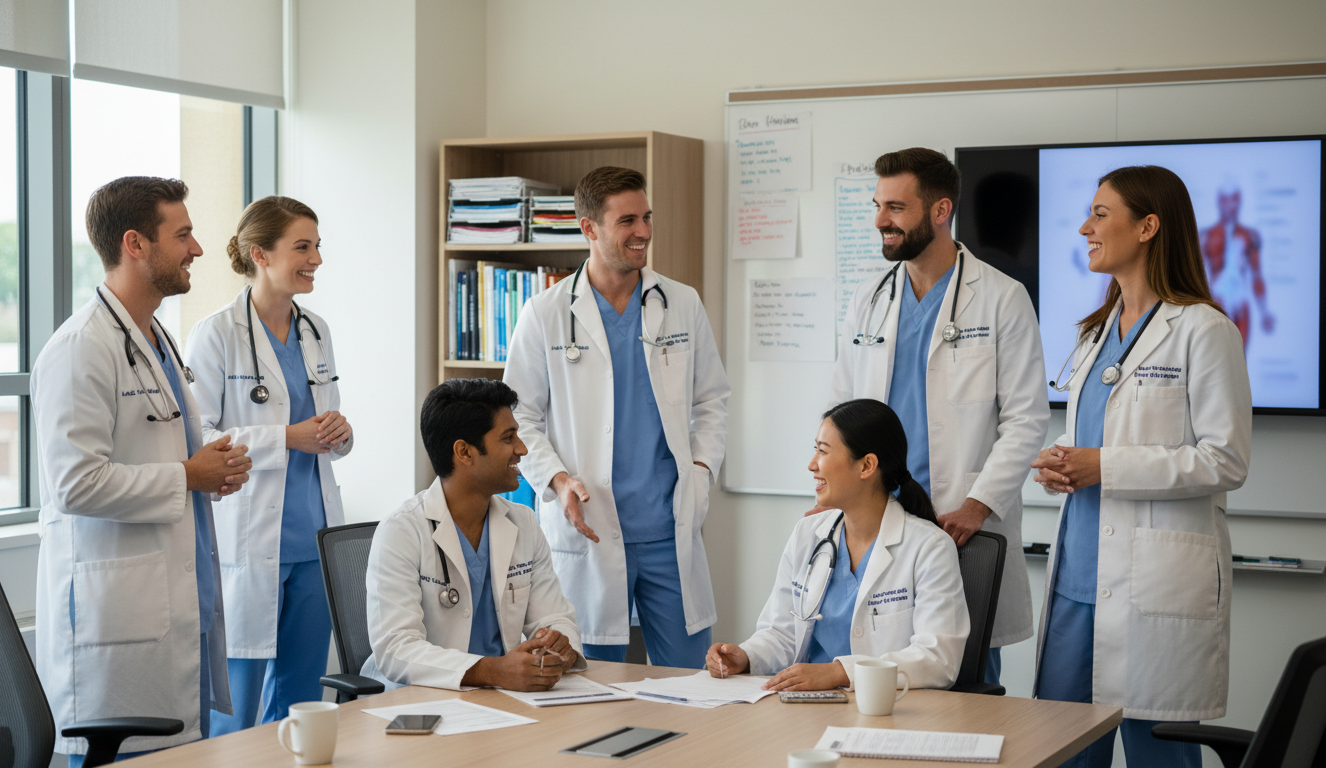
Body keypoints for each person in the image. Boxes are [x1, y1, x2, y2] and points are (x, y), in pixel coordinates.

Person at [1031, 165, 1252, 767]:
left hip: (1154, 584)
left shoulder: (1204, 331)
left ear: (1149, 226)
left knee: (1161, 757)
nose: (1085, 227)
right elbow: (1096, 440)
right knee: (1062, 750)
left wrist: (1104, 465)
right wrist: (1061, 466)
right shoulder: (1094, 333)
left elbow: (1225, 460)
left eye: (1101, 214)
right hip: (1079, 574)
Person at [31, 177, 252, 764]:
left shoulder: (155, 339)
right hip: (121, 623)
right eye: (182, 235)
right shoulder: (81, 347)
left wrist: (214, 468)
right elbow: (73, 483)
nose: (198, 249)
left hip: (180, 605)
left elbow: (159, 450)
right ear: (135, 243)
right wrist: (188, 476)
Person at [828, 147, 1049, 686]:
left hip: (959, 524)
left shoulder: (1001, 298)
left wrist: (978, 506)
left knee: (968, 680)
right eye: (878, 205)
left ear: (941, 210)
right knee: (874, 672)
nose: (881, 220)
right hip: (879, 519)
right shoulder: (869, 299)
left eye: (897, 208)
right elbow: (840, 412)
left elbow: (1026, 419)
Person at [503, 166, 730, 669]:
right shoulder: (544, 313)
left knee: (690, 682)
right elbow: (519, 416)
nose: (644, 231)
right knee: (587, 681)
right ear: (589, 228)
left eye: (647, 217)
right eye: (628, 220)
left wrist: (701, 472)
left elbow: (712, 401)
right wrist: (557, 480)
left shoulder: (681, 303)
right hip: (589, 526)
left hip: (668, 529)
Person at [185, 196, 353, 734]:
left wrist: (339, 432)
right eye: (302, 247)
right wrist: (284, 438)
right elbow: (200, 440)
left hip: (314, 540)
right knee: (235, 703)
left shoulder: (315, 330)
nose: (316, 259)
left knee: (300, 700)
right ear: (260, 253)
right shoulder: (215, 334)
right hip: (249, 538)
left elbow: (322, 426)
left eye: (317, 246)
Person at [706, 399, 968, 691]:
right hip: (807, 708)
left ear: (867, 466)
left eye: (823, 451)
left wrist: (841, 673)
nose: (812, 464)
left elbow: (938, 659)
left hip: (886, 711)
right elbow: (782, 634)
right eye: (815, 449)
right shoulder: (808, 535)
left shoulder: (929, 547)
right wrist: (746, 656)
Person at [363, 379, 586, 690]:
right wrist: (492, 671)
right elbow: (396, 650)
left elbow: (555, 616)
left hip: (498, 697)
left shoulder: (523, 523)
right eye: (508, 438)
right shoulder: (401, 531)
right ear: (464, 452)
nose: (522, 449)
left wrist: (560, 645)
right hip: (417, 700)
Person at [1199, 181, 1274, 348]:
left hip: (1241, 303)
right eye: (1226, 200)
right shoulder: (1206, 237)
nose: (1230, 205)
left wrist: (1264, 311)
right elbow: (1194, 276)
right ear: (1219, 202)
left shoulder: (1250, 236)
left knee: (1239, 360)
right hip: (1217, 301)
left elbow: (1256, 275)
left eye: (1234, 199)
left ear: (1239, 202)